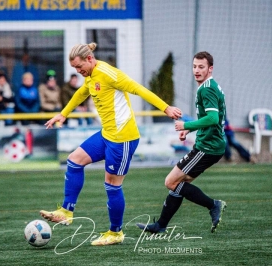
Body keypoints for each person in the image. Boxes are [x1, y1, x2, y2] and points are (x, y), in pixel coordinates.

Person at [40, 42, 182, 246]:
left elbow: (139, 89)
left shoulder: (109, 73)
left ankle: (115, 233)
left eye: (79, 67)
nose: (78, 72)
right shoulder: (91, 75)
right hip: (107, 134)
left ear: (90, 59)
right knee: (74, 161)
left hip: (122, 139)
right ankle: (66, 212)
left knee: (112, 185)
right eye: (75, 69)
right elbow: (82, 93)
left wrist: (165, 108)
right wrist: (63, 114)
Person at [137, 51, 227, 235]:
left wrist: (186, 124)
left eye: (201, 67)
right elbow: (210, 119)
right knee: (180, 184)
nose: (196, 70)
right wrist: (190, 130)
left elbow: (212, 118)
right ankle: (161, 225)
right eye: (194, 66)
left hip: (207, 147)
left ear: (210, 69)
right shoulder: (210, 86)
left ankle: (213, 205)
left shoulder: (207, 88)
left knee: (171, 182)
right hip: (211, 145)